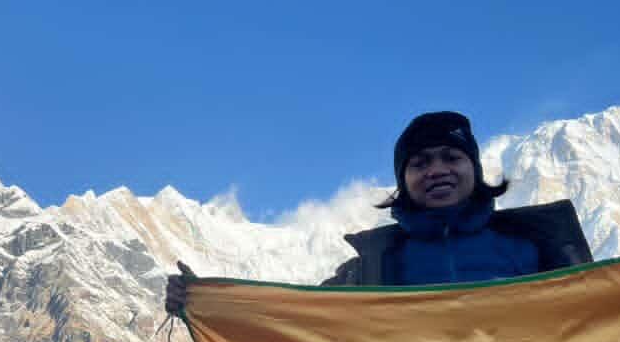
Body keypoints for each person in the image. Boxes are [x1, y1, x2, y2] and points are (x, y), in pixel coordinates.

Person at [165, 111, 591, 311]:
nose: (437, 170)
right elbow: (295, 319)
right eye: (420, 163)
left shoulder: (534, 253)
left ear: (474, 170)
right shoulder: (371, 271)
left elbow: (599, 324)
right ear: (402, 181)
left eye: (451, 157)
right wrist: (206, 304)